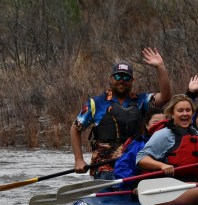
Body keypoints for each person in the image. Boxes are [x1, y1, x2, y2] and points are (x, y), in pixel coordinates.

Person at [70, 47, 172, 180]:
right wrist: (79, 160)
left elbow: (165, 96)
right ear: (111, 78)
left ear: (132, 81)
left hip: (135, 163)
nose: (122, 80)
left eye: (126, 77)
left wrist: (160, 67)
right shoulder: (95, 103)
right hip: (104, 166)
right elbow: (75, 129)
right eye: (118, 76)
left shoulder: (142, 101)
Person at [135, 94, 198, 205]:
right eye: (180, 110)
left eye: (188, 110)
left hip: (196, 184)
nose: (185, 113)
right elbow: (141, 159)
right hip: (173, 186)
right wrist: (162, 166)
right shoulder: (164, 135)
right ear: (172, 114)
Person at [112, 107, 165, 184]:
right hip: (143, 185)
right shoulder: (138, 144)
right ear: (147, 125)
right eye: (155, 122)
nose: (160, 126)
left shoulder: (173, 141)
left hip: (167, 184)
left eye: (163, 123)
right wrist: (135, 184)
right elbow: (122, 167)